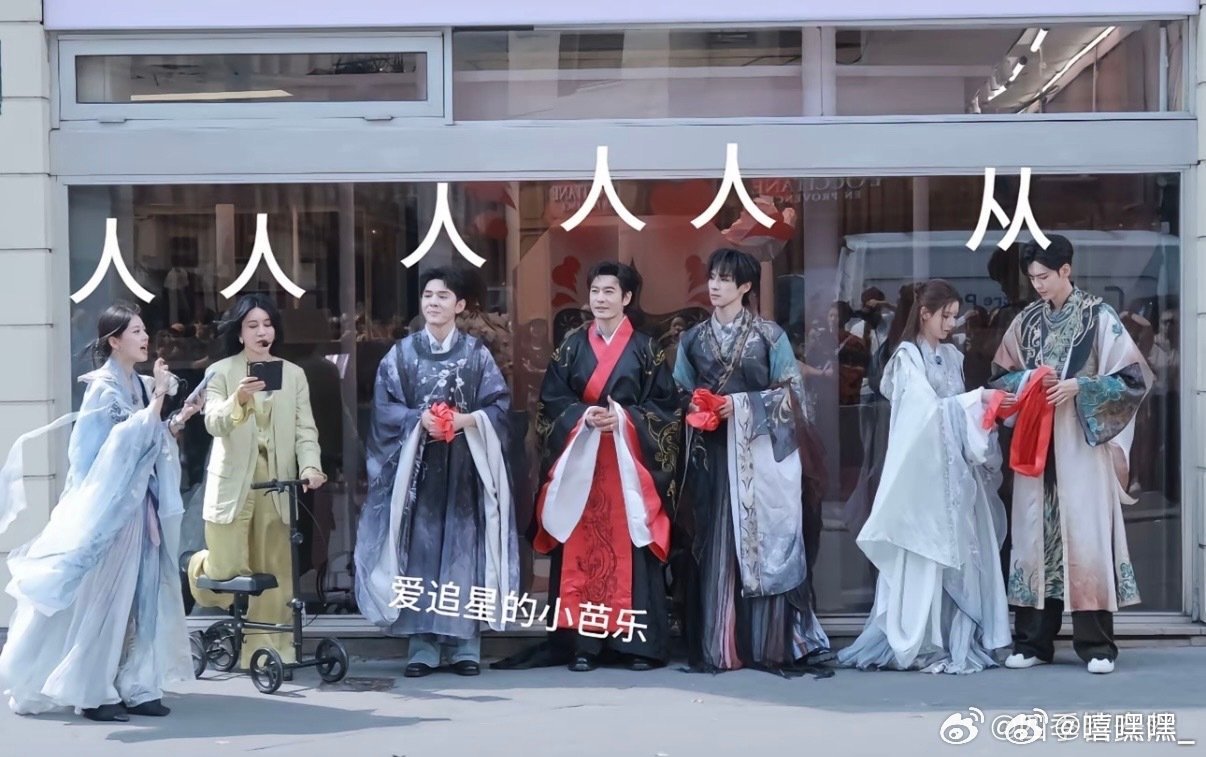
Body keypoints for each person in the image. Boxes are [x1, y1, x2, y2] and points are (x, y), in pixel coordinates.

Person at [0, 303, 197, 721]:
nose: (145, 338)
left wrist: (178, 417)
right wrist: (159, 401)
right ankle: (91, 688)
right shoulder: (103, 389)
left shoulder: (140, 384)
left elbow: (150, 438)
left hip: (140, 506)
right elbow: (109, 451)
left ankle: (138, 684)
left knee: (144, 598)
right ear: (114, 341)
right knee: (107, 597)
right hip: (108, 510)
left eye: (144, 330)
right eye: (136, 332)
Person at [496, 262, 680, 673]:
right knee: (583, 551)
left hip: (628, 468)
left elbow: (667, 409)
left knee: (631, 547)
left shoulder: (647, 350)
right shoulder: (570, 348)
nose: (600, 299)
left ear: (627, 298)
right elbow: (551, 404)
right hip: (581, 463)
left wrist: (626, 419)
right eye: (595, 291)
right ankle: (583, 644)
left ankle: (636, 645)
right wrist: (581, 417)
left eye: (609, 291)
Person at [990, 235, 1152, 675]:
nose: (1038, 285)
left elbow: (1134, 379)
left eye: (1044, 276)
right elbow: (999, 378)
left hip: (1081, 446)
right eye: (1033, 278)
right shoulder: (1025, 322)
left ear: (1066, 270)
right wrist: (1030, 382)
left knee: (1085, 536)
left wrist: (1082, 386)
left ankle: (1096, 645)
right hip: (1037, 448)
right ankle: (1033, 641)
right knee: (1033, 539)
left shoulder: (1100, 317)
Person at [837, 280, 1011, 674]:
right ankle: (925, 639)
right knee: (924, 553)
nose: (951, 324)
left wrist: (978, 408)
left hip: (954, 473)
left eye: (954, 316)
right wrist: (976, 400)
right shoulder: (906, 357)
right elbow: (922, 413)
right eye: (945, 316)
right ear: (925, 314)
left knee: (962, 552)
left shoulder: (951, 355)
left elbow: (948, 409)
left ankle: (952, 635)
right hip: (922, 475)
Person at [673, 248, 830, 675]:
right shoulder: (692, 340)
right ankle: (720, 644)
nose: (715, 285)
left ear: (745, 287)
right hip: (710, 454)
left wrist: (741, 406)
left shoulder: (769, 337)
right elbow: (677, 394)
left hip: (760, 457)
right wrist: (697, 407)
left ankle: (768, 642)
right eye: (712, 277)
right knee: (715, 543)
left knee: (764, 545)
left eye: (725, 279)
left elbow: (793, 396)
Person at [355, 267, 518, 677]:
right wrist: (418, 419)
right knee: (420, 553)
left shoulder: (476, 354)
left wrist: (467, 421)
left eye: (443, 296)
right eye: (428, 295)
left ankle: (465, 643)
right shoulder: (401, 355)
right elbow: (383, 410)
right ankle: (422, 644)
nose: (433, 302)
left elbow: (499, 406)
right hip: (418, 472)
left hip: (464, 470)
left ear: (459, 305)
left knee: (464, 550)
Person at [185, 294, 326, 671]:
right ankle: (198, 569)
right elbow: (213, 422)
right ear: (239, 333)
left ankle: (271, 650)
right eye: (253, 325)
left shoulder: (293, 374)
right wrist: (239, 398)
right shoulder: (220, 371)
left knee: (276, 570)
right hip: (233, 484)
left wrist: (311, 467)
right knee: (228, 568)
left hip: (277, 483)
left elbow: (305, 429)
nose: (263, 331)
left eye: (268, 324)